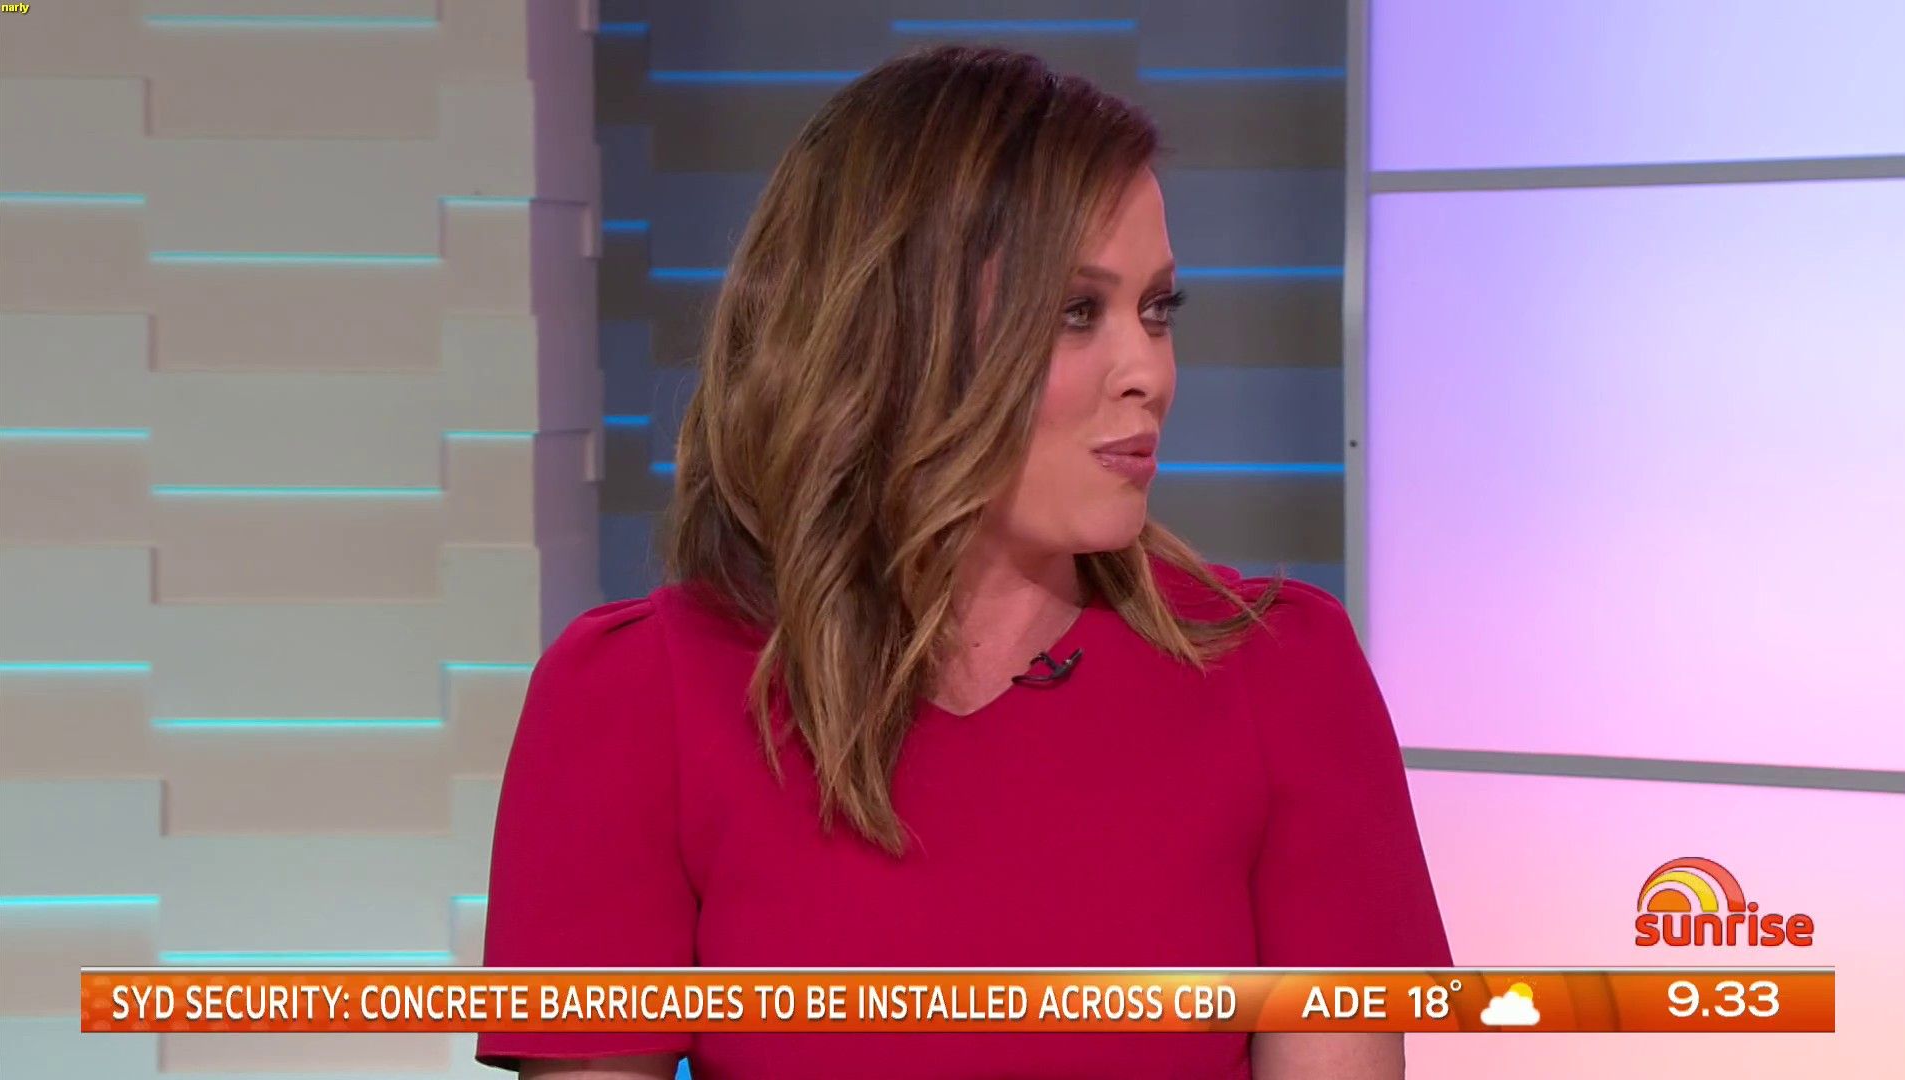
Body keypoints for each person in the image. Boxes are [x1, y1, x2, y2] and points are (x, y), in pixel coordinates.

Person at [477, 44, 1450, 1080]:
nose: (1150, 373)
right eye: (1077, 312)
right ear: (894, 335)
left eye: (1158, 310)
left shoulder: (1282, 680)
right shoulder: (637, 703)